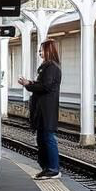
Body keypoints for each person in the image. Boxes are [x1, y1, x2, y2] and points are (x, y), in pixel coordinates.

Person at [18, 39, 62, 180]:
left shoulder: (51, 67)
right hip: (43, 108)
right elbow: (42, 84)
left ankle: (53, 169)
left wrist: (28, 84)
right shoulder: (47, 66)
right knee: (42, 138)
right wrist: (30, 83)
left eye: (42, 50)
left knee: (48, 137)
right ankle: (46, 168)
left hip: (46, 109)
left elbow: (45, 87)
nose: (40, 53)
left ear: (49, 50)